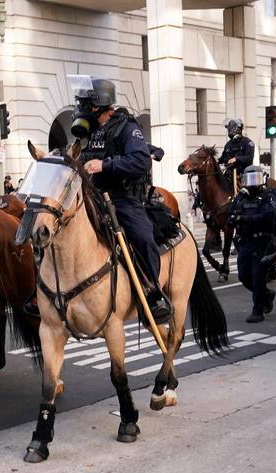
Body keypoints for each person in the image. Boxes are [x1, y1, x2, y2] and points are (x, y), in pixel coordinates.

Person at [69, 74, 170, 323]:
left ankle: (152, 292)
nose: (80, 109)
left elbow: (141, 161)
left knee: (143, 237)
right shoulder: (89, 133)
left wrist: (105, 165)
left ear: (98, 105)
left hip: (123, 200)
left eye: (84, 103)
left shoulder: (127, 128)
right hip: (92, 198)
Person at [228, 166, 276, 323]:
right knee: (243, 275)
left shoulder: (267, 196)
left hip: (261, 242)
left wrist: (244, 219)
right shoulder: (240, 198)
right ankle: (266, 295)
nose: (251, 184)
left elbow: (267, 216)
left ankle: (258, 310)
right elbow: (230, 215)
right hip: (245, 241)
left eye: (255, 179)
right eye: (249, 180)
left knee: (257, 277)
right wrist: (233, 219)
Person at [218, 117, 255, 192]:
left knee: (248, 192)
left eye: (231, 128)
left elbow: (249, 157)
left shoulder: (247, 142)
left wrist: (236, 159)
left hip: (244, 175)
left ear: (238, 129)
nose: (229, 131)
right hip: (229, 174)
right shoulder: (228, 144)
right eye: (229, 129)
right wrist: (215, 160)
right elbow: (223, 158)